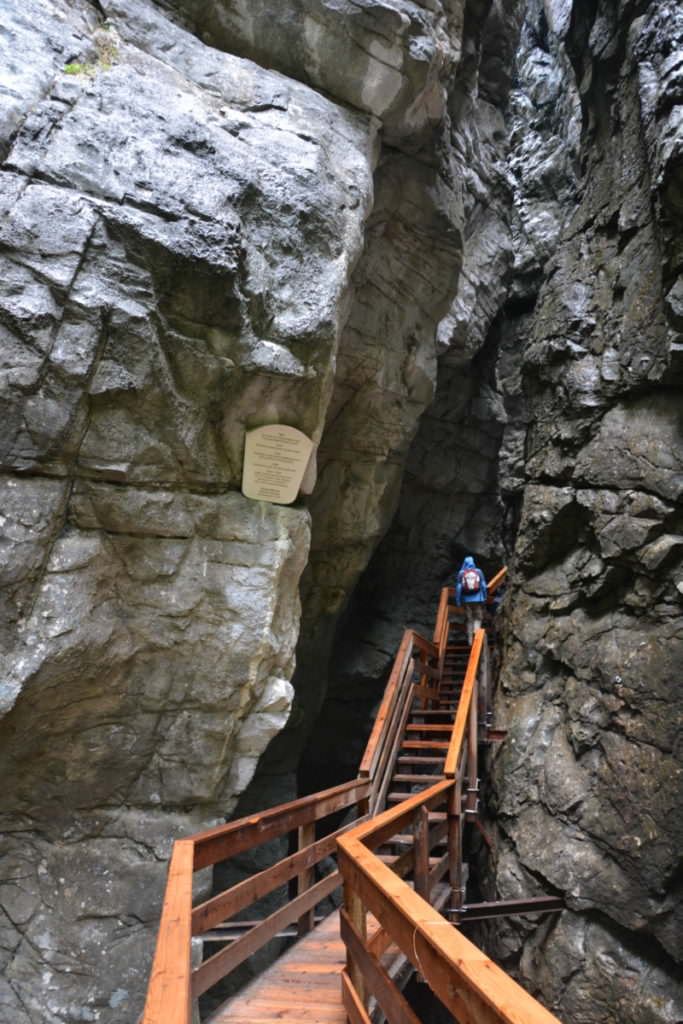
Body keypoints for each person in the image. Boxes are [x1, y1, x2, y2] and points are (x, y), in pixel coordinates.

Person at [455, 556, 487, 645]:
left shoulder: (461, 573)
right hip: (477, 599)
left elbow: (458, 587)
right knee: (478, 617)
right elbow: (483, 585)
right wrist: (484, 596)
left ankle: (470, 640)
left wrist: (458, 600)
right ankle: (476, 632)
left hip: (466, 600)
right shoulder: (478, 571)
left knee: (469, 619)